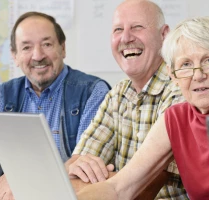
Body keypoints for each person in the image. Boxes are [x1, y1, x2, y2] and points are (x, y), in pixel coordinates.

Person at [75, 16, 209, 200]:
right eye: (185, 65)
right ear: (172, 75)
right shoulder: (175, 118)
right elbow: (120, 187)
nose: (197, 75)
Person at [0, 11, 110, 199]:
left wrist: (22, 179)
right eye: (26, 47)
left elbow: (84, 164)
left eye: (47, 44)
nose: (38, 56)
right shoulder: (2, 95)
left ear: (63, 48)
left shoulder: (93, 92)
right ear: (14, 55)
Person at [65, 0, 187, 199]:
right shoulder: (118, 93)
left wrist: (104, 180)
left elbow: (147, 185)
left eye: (137, 27)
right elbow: (77, 167)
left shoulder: (182, 89)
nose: (126, 37)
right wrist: (82, 170)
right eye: (118, 29)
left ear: (164, 35)